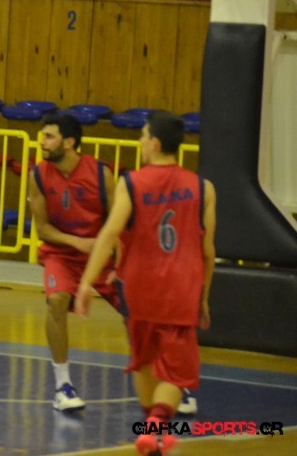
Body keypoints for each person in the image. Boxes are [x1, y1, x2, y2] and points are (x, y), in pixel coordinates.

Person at [75, 111, 216, 456]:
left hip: (138, 288)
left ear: (154, 143)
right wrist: (204, 296)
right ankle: (155, 426)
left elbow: (110, 234)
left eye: (141, 136)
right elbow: (208, 252)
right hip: (181, 289)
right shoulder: (203, 188)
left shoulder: (131, 183)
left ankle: (153, 438)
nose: (139, 141)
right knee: (178, 375)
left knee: (143, 360)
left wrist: (86, 284)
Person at [29, 112, 117, 412]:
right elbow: (42, 228)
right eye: (42, 136)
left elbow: (117, 223)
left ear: (69, 143)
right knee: (56, 300)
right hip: (62, 253)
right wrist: (77, 242)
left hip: (101, 254)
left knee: (140, 310)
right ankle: (62, 386)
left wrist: (119, 261)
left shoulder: (100, 174)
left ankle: (173, 381)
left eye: (49, 136)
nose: (42, 142)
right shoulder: (38, 175)